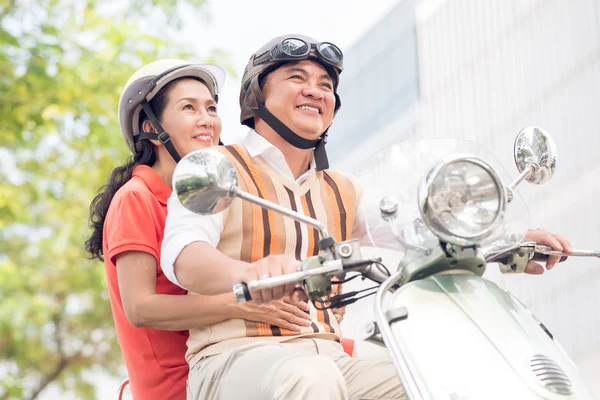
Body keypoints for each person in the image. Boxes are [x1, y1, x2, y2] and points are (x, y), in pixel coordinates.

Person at [161, 35, 573, 400]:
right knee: (313, 379)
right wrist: (248, 273)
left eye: (326, 85)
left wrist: (509, 241)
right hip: (233, 359)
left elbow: (421, 227)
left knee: (438, 376)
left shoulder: (342, 189)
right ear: (256, 96)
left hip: (330, 356)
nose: (315, 91)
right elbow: (184, 256)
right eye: (297, 78)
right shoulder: (216, 168)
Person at [84, 59, 313, 399]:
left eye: (211, 107)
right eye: (189, 108)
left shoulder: (215, 198)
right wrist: (243, 303)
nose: (206, 119)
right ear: (151, 126)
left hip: (243, 363)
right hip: (182, 387)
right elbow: (140, 308)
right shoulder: (137, 197)